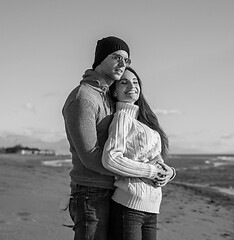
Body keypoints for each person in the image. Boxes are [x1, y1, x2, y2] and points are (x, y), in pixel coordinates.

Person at [62, 36, 174, 240]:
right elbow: (91, 156)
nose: (123, 64)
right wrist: (145, 173)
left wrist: (164, 170)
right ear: (100, 59)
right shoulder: (84, 97)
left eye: (127, 60)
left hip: (114, 191)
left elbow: (136, 147)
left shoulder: (110, 97)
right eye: (116, 57)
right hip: (90, 193)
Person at [102, 67, 175, 240]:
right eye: (124, 82)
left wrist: (170, 173)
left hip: (152, 207)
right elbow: (111, 158)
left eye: (135, 82)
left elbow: (156, 160)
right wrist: (152, 172)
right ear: (114, 91)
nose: (132, 86)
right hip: (128, 205)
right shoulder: (122, 118)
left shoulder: (145, 122)